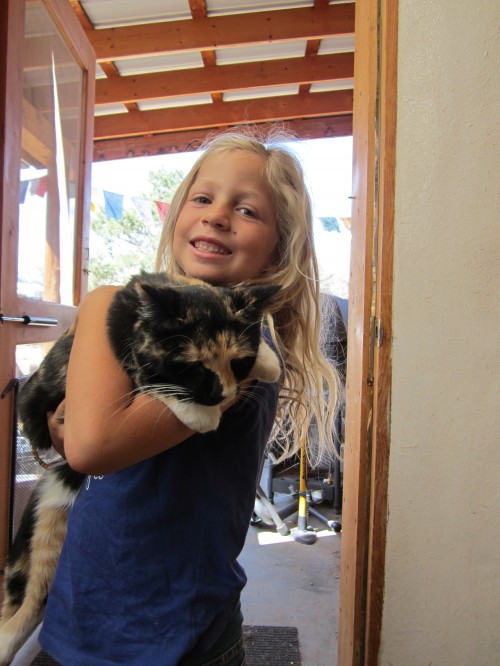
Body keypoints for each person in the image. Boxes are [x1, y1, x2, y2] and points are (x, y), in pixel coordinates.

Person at [39, 129, 340, 666]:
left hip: (168, 634)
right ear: (176, 214)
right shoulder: (165, 331)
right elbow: (78, 435)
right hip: (86, 608)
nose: (217, 215)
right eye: (203, 199)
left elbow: (88, 445)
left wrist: (100, 304)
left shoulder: (245, 343)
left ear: (277, 252)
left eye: (247, 210)